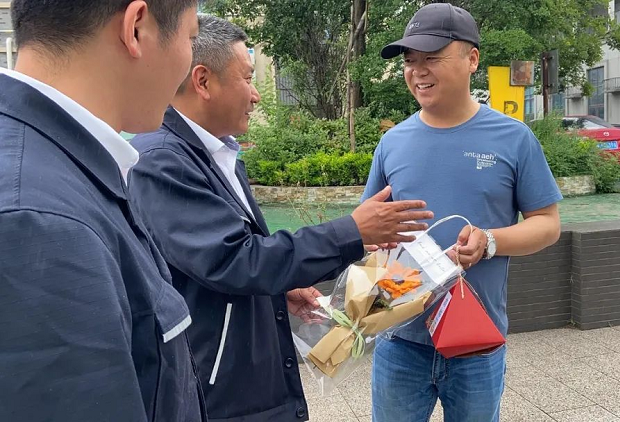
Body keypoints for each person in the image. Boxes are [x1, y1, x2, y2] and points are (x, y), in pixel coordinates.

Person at [127, 15, 434, 422]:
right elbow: (235, 260)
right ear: (203, 81)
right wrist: (352, 231)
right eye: (247, 78)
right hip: (217, 392)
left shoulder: (219, 155)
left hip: (246, 377)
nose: (256, 95)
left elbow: (231, 258)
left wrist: (279, 290)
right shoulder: (162, 162)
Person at [0, 1, 205, 421]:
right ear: (136, 28)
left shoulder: (60, 166)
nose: (188, 63)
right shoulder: (40, 224)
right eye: (191, 38)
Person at [364, 3, 563, 421]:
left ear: (472, 59)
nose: (418, 71)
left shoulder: (513, 138)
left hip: (476, 341)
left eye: (432, 58)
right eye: (410, 60)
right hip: (399, 339)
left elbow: (547, 225)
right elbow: (368, 227)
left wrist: (490, 240)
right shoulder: (392, 143)